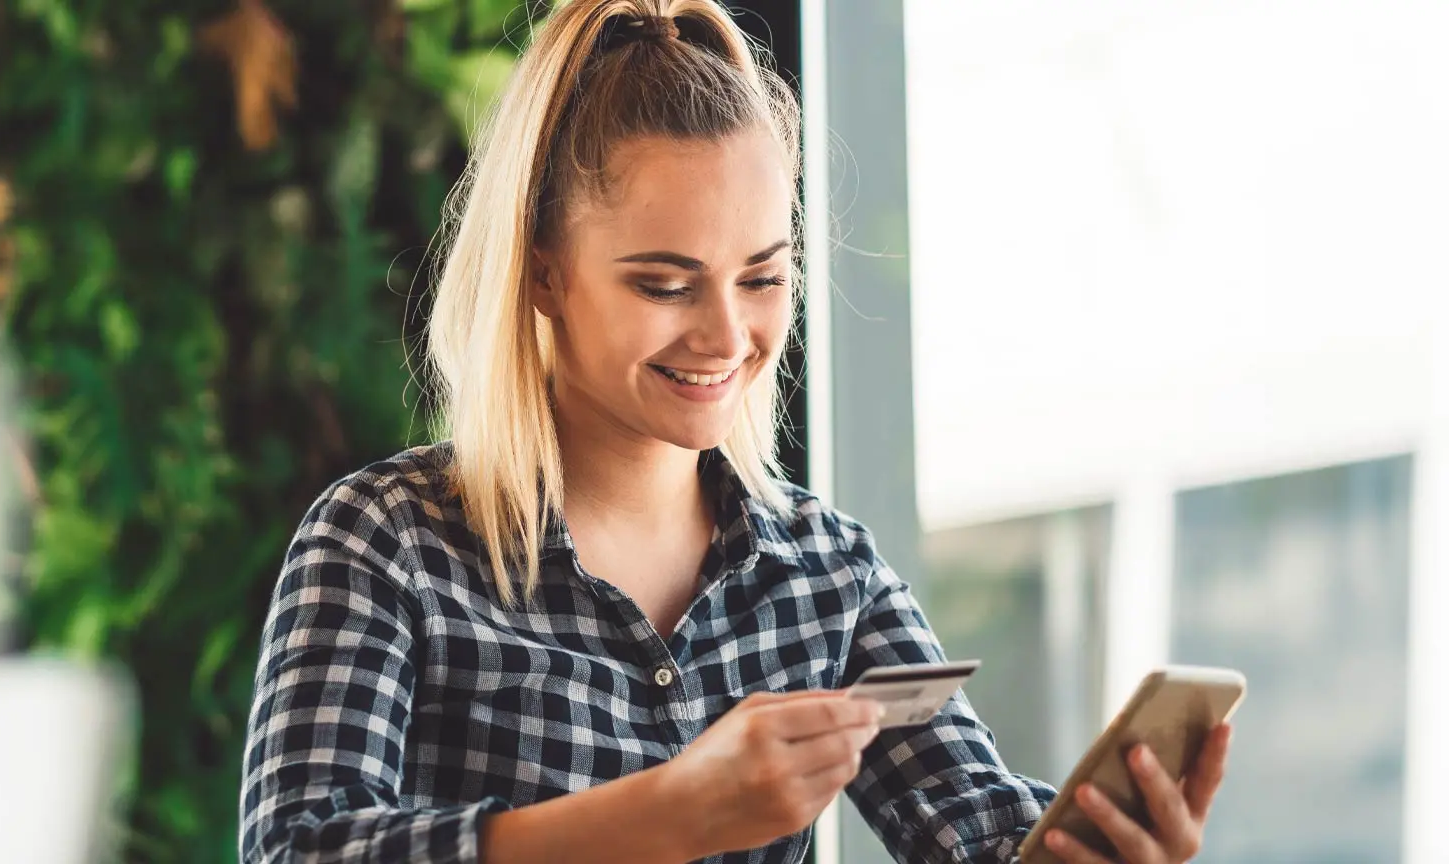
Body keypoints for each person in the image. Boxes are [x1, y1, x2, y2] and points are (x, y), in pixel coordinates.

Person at [238, 2, 1233, 862]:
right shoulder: (388, 542)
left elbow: (980, 841)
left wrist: (1098, 846)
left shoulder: (822, 573)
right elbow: (301, 846)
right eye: (664, 284)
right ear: (542, 271)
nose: (726, 335)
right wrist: (662, 815)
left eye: (762, 277)